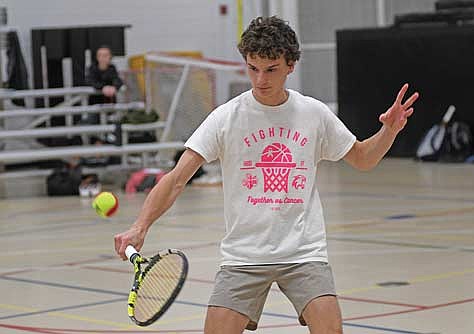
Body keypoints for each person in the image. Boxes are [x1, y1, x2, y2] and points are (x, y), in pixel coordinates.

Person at [114, 16, 419, 334]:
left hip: (303, 252)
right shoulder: (226, 117)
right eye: (252, 68)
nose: (260, 79)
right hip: (243, 256)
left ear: (291, 65)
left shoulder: (313, 113)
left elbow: (363, 159)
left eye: (271, 69)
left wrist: (389, 130)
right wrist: (140, 226)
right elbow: (176, 179)